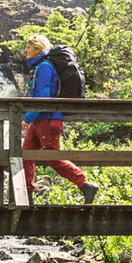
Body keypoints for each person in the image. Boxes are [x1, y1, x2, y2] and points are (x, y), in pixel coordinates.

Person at [22, 34, 99, 204]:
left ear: (38, 49)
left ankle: (85, 184)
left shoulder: (45, 67)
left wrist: (27, 118)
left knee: (53, 158)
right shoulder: (40, 67)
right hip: (40, 120)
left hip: (48, 120)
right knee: (25, 155)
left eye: (29, 47)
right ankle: (26, 195)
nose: (26, 50)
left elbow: (43, 96)